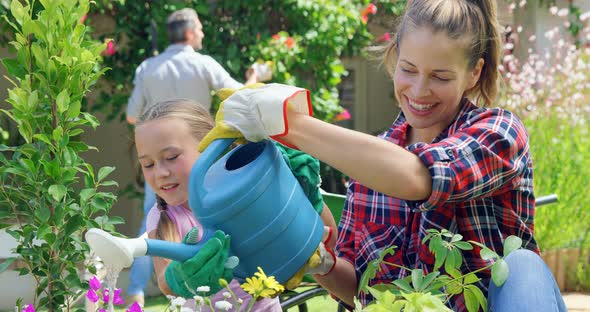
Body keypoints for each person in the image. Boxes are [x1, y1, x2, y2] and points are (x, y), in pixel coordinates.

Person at [196, 0, 567, 311]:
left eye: (440, 76)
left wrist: (288, 123)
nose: (419, 91)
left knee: (522, 267)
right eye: (408, 70)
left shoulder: (499, 132)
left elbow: (419, 177)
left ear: (473, 73)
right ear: (394, 58)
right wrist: (319, 262)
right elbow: (361, 289)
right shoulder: (369, 166)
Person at [134, 99, 337, 309]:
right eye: (148, 164)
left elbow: (329, 236)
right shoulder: (163, 215)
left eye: (171, 157)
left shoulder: (247, 194)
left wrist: (304, 192)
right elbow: (165, 282)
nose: (160, 173)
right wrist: (180, 276)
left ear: (209, 148)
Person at [125, 8, 264, 304]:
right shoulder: (203, 64)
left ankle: (135, 290)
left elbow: (131, 115)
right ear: (189, 33)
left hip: (164, 155)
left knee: (154, 229)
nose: (202, 34)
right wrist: (252, 78)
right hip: (193, 162)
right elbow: (241, 97)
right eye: (200, 29)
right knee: (162, 224)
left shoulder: (148, 67)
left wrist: (153, 145)